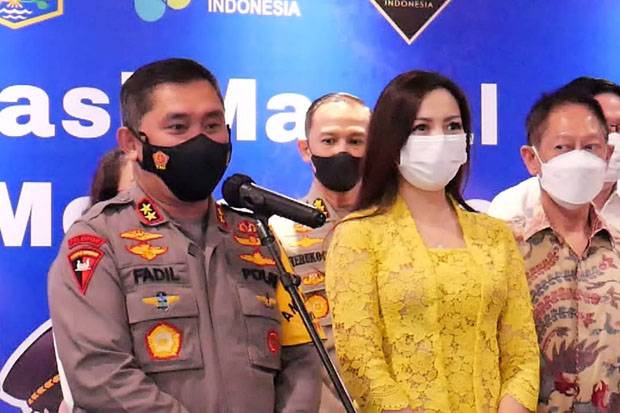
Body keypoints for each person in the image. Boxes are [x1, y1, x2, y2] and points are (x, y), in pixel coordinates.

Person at [48, 58, 321, 413]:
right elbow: (98, 374)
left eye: (212, 125)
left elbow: (301, 359)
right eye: (178, 127)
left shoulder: (256, 238)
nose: (201, 140)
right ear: (132, 143)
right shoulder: (98, 239)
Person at [325, 70, 539, 413]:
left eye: (452, 126)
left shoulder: (495, 235)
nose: (440, 138)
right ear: (392, 140)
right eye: (422, 128)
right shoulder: (358, 235)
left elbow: (522, 354)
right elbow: (359, 359)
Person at [509, 88, 620, 411]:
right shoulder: (504, 248)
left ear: (607, 155)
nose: (579, 159)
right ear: (532, 159)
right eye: (562, 147)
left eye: (590, 147)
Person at [271, 92, 370, 413]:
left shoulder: (396, 228)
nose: (343, 150)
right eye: (329, 141)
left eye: (355, 141)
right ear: (305, 149)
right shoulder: (276, 233)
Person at [488, 77, 620, 226]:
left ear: (608, 154)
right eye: (603, 124)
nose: (613, 136)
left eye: (590, 146)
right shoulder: (512, 207)